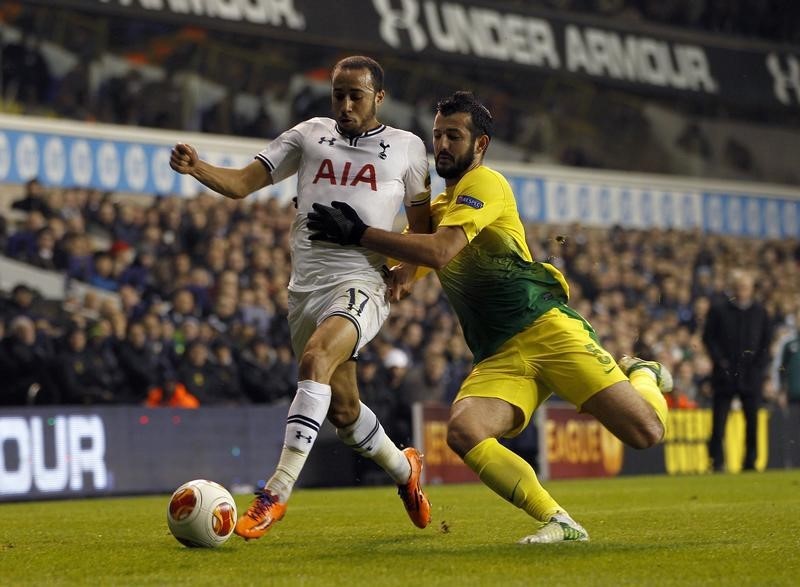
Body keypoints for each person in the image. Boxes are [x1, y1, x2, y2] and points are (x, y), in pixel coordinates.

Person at [307, 91, 671, 544]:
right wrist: (384, 274)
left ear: (479, 145)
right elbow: (411, 264)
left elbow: (439, 251)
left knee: (646, 433)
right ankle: (559, 521)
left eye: (453, 136)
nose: (441, 145)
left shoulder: (487, 185)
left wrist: (360, 232)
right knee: (464, 430)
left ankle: (643, 373)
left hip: (547, 329)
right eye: (437, 135)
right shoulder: (438, 212)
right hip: (499, 352)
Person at [169, 55, 432, 540]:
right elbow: (243, 183)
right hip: (304, 289)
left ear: (379, 97)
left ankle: (275, 492)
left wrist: (407, 274)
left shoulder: (408, 149)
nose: (346, 104)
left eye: (356, 95)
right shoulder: (309, 134)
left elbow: (422, 230)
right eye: (338, 94)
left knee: (315, 361)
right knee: (345, 413)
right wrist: (198, 167)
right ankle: (405, 470)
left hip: (361, 282)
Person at [702, 269, 772, 472]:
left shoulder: (760, 311)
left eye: (746, 287)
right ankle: (717, 461)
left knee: (752, 421)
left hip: (751, 375)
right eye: (739, 287)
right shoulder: (719, 310)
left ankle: (750, 461)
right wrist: (720, 361)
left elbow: (766, 341)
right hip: (724, 374)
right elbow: (709, 338)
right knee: (719, 421)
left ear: (751, 289)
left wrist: (759, 364)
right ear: (733, 288)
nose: (742, 291)